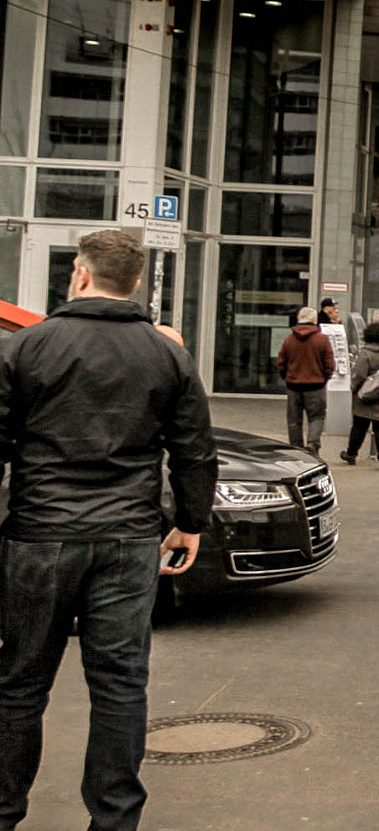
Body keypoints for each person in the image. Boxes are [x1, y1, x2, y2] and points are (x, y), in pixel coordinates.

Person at [0, 228, 217, 831]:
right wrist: (191, 524)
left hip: (39, 535)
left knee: (19, 684)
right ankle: (115, 821)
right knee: (120, 687)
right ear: (138, 283)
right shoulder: (166, 353)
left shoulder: (29, 347)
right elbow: (195, 449)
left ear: (80, 273)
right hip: (128, 541)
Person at [277, 305, 335, 460]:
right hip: (316, 385)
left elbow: (281, 363)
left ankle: (296, 449)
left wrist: (287, 377)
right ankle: (312, 444)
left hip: (294, 385)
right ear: (315, 320)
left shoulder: (289, 339)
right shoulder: (322, 339)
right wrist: (324, 378)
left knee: (294, 420)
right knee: (317, 417)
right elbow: (329, 364)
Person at [341, 321, 379, 471]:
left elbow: (359, 375)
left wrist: (353, 389)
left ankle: (351, 454)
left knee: (359, 427)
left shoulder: (365, 354)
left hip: (365, 397)